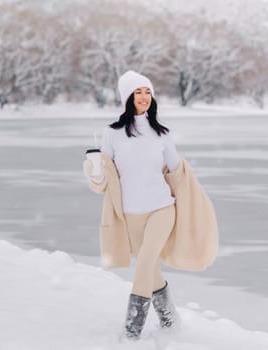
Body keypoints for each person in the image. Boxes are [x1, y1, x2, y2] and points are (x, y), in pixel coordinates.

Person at [83, 70, 218, 340]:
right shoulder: (112, 134)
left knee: (144, 262)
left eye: (147, 92)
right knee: (150, 268)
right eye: (138, 92)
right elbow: (103, 180)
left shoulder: (162, 133)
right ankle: (170, 320)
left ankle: (132, 332)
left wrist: (193, 198)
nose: (143, 97)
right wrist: (94, 171)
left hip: (161, 208)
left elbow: (178, 171)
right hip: (130, 214)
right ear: (127, 98)